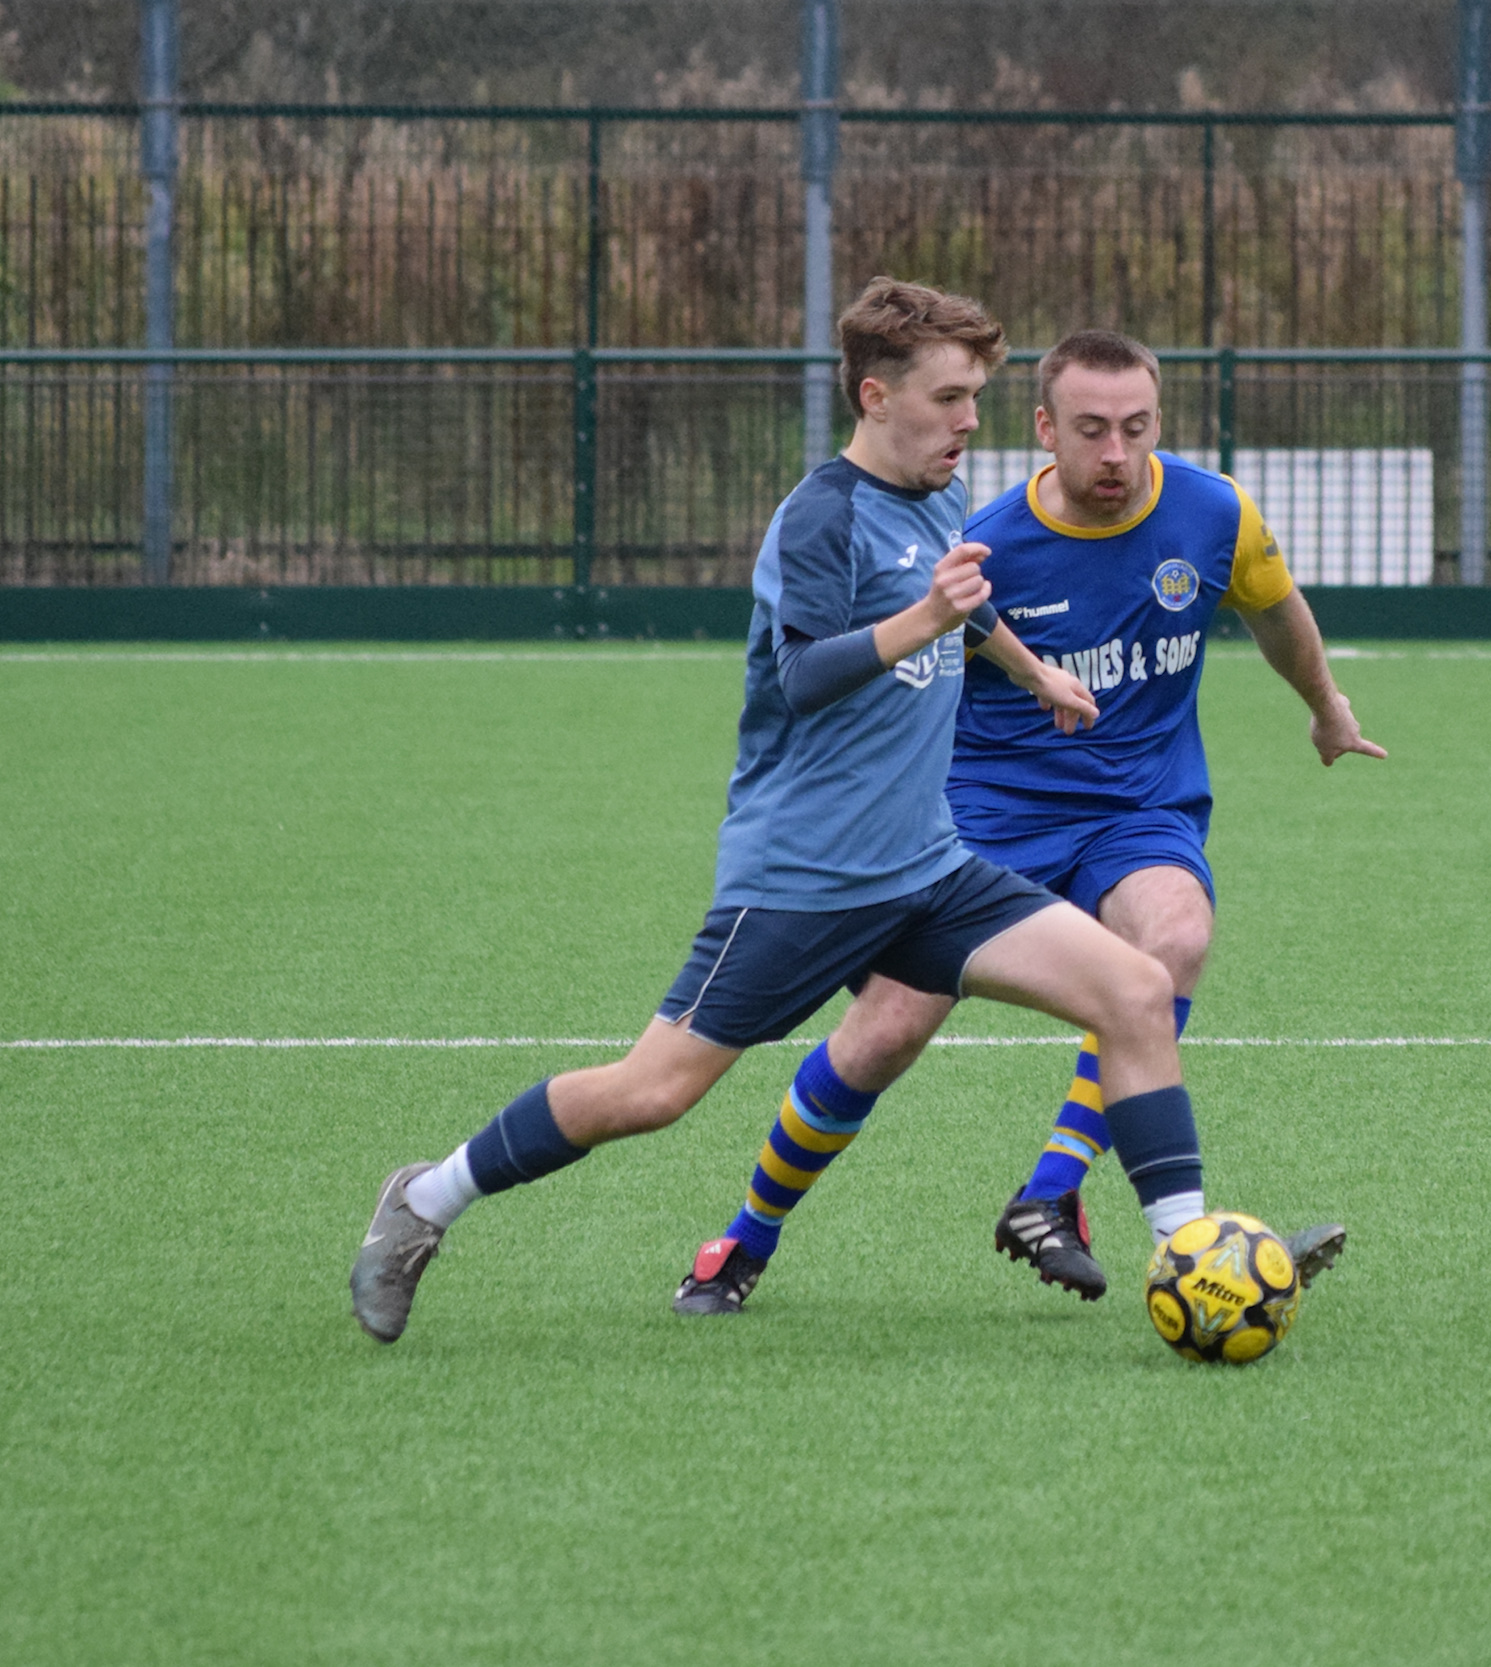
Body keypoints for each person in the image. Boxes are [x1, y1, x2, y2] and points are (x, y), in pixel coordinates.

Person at [350, 281, 1228, 1341]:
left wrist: (1030, 670)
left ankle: (1190, 1257)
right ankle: (423, 1199)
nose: (967, 422)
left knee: (1135, 989)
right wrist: (925, 620)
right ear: (874, 395)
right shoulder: (821, 515)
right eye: (949, 398)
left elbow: (964, 594)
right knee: (653, 1090)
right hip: (803, 883)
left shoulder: (935, 492)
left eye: (976, 399)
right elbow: (804, 673)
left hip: (931, 869)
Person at [690, 328, 1383, 1306]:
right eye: (1092, 429)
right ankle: (744, 1239)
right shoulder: (984, 541)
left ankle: (1051, 1192)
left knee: (1173, 938)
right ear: (1045, 427)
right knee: (887, 1026)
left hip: (1137, 808)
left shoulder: (1210, 512)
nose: (1116, 453)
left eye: (1136, 428)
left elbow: (1275, 609)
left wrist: (1325, 705)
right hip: (982, 814)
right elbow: (883, 664)